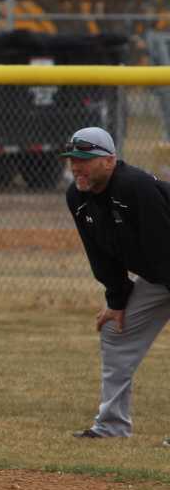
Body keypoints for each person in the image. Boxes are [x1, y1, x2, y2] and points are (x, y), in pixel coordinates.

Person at [62, 126, 170, 442]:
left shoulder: (136, 186)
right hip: (159, 274)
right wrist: (117, 300)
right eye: (72, 159)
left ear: (109, 160)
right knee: (115, 332)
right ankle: (111, 426)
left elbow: (163, 247)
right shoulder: (77, 197)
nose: (76, 166)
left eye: (84, 159)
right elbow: (100, 255)